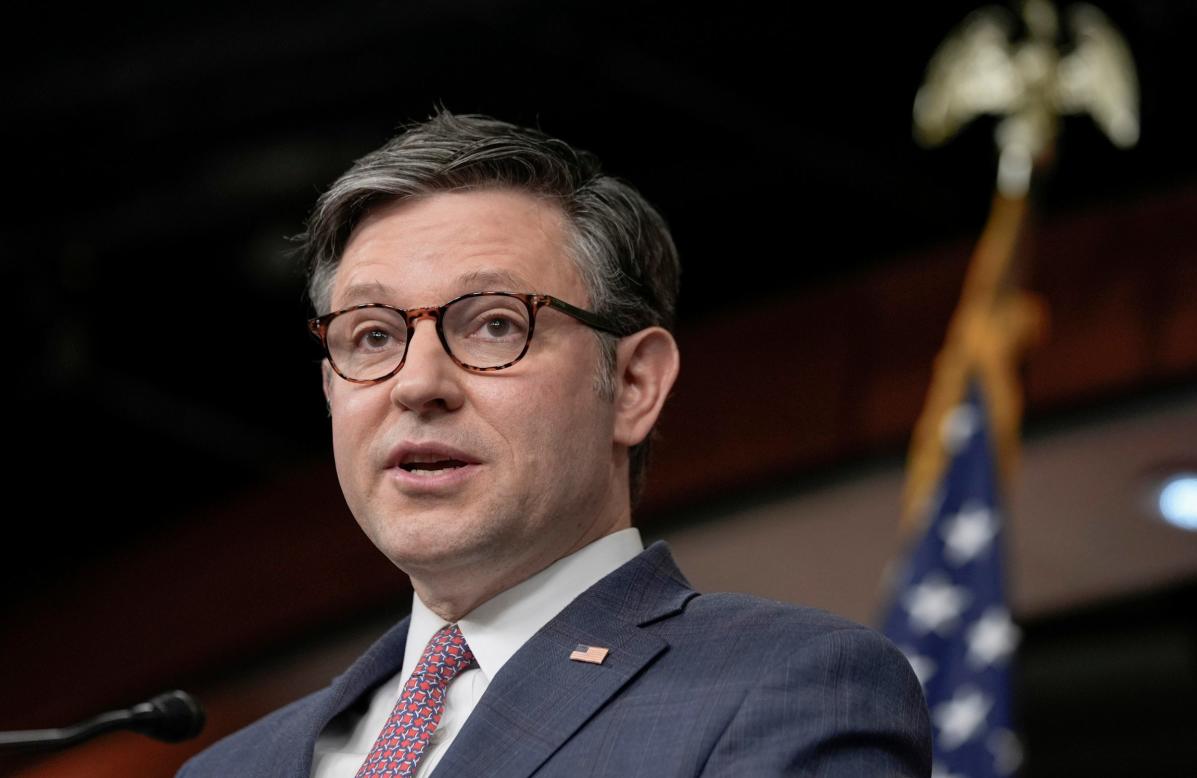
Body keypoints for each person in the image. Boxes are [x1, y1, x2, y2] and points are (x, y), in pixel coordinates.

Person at [178, 111, 931, 777]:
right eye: (372, 336)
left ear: (633, 384)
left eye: (495, 323)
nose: (416, 384)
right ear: (330, 391)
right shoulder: (228, 768)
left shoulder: (785, 685)